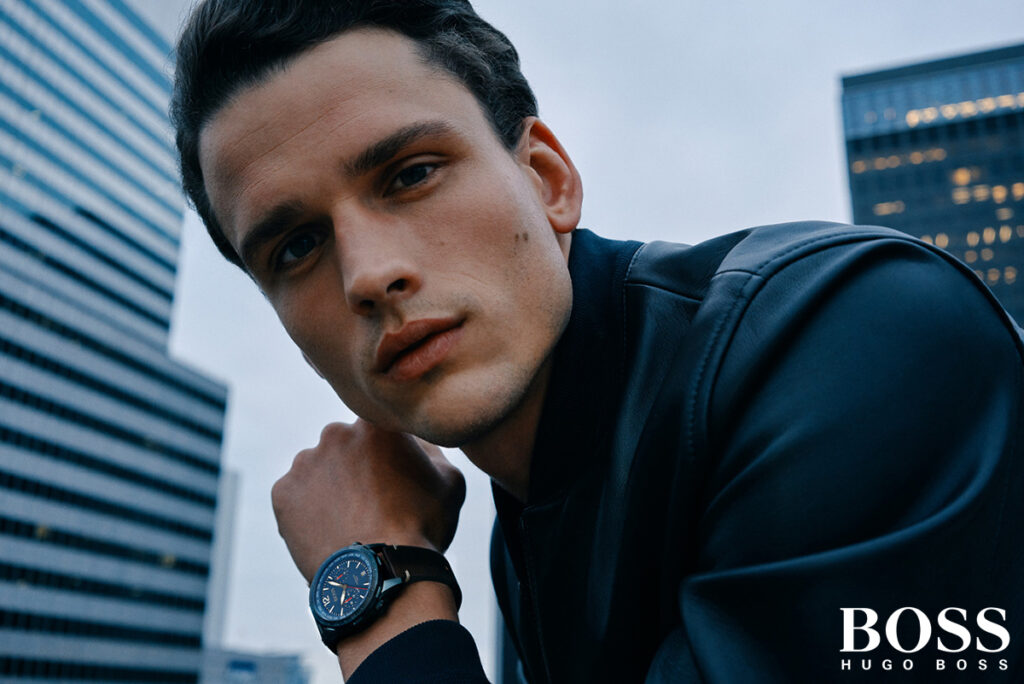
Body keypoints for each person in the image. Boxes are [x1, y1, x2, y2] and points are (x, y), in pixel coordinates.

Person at [171, 1, 1024, 681]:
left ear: (548, 181)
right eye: (296, 248)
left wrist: (379, 591)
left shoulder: (849, 338)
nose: (367, 274)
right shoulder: (525, 525)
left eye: (412, 174)